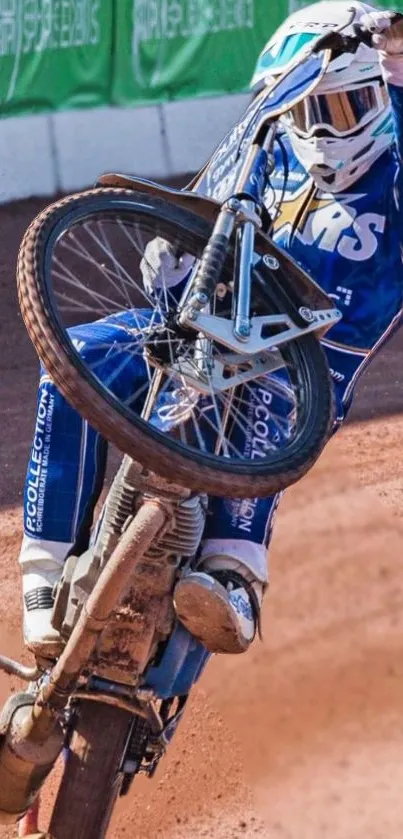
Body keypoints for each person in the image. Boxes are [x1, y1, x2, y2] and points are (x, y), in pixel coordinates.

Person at [19, 1, 403, 658]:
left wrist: (382, 27)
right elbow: (213, 201)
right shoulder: (273, 139)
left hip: (312, 360)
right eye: (316, 110)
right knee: (77, 358)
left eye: (348, 106)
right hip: (209, 327)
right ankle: (44, 568)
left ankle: (235, 573)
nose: (328, 128)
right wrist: (171, 251)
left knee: (266, 389)